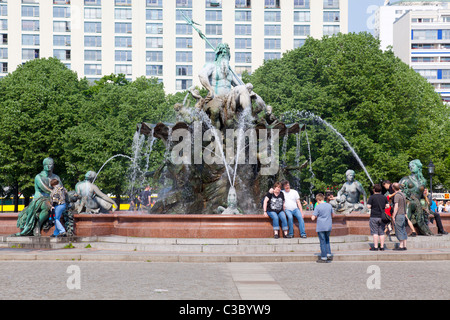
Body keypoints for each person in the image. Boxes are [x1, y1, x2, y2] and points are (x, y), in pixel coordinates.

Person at [15, 157, 62, 237]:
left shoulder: (56, 177)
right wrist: (56, 192)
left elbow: (61, 188)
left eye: (50, 164)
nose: (49, 166)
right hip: (40, 199)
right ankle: (38, 226)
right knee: (47, 207)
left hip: (53, 199)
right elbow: (45, 189)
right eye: (47, 164)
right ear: (44, 166)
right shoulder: (39, 177)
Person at [311, 193, 334, 263]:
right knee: (327, 240)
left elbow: (313, 217)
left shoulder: (318, 207)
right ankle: (329, 254)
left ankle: (323, 257)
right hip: (328, 225)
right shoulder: (329, 205)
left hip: (321, 226)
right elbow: (332, 215)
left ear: (318, 200)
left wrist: (313, 217)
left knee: (322, 242)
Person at [367, 184, 389, 251]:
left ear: (374, 190)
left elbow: (368, 206)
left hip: (374, 216)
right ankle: (382, 247)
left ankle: (376, 247)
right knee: (382, 232)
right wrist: (383, 207)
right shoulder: (384, 197)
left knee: (375, 232)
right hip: (382, 217)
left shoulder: (372, 197)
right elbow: (387, 206)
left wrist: (373, 206)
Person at [392, 183, 408, 250]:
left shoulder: (397, 195)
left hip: (398, 215)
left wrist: (393, 215)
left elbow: (396, 207)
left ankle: (401, 246)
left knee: (399, 230)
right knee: (403, 229)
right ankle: (404, 245)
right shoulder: (403, 194)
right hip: (403, 215)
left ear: (393, 188)